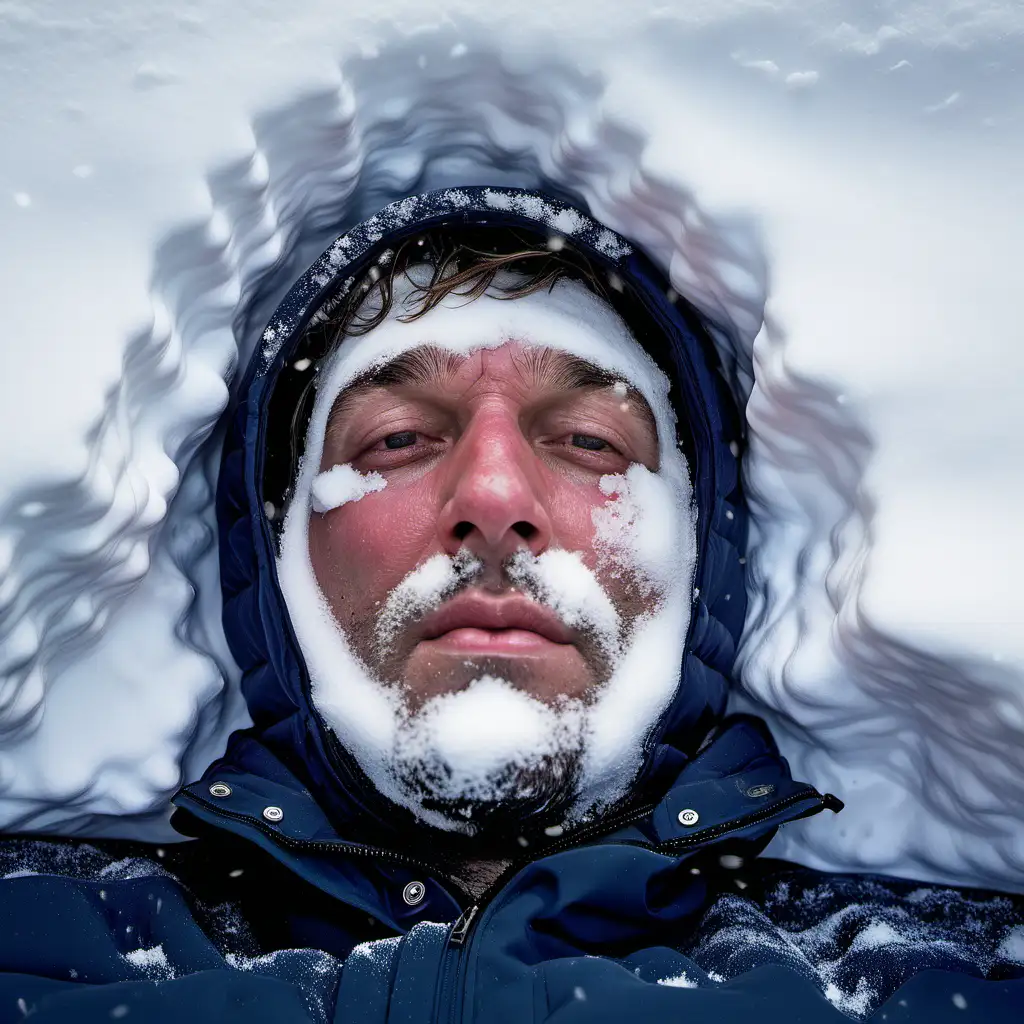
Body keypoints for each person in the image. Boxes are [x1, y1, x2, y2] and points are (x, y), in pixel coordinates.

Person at [1, 187, 1022, 1023]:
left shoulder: (932, 986)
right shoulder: (40, 953)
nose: (492, 498)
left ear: (700, 551)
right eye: (398, 436)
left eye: (586, 440)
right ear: (277, 557)